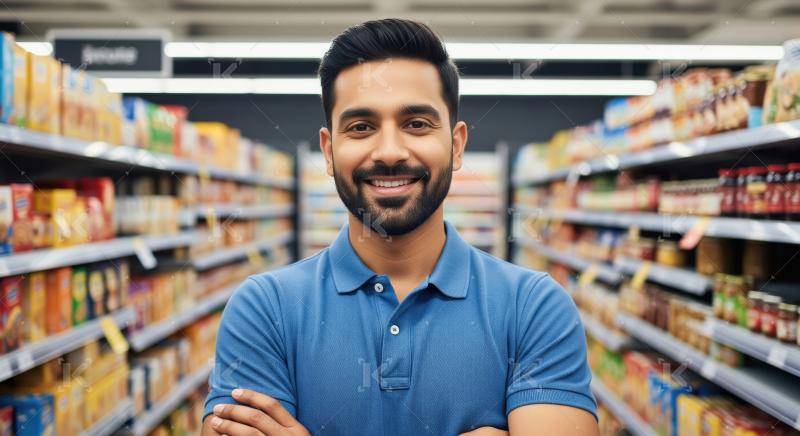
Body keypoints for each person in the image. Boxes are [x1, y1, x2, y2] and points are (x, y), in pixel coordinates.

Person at [202, 18, 599, 436]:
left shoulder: (534, 307)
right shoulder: (264, 309)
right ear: (329, 151)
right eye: (361, 127)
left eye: (416, 124)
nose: (389, 152)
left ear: (456, 145)